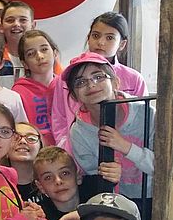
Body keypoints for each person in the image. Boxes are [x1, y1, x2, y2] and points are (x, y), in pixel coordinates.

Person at [63, 52, 154, 204]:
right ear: (74, 95)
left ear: (116, 83)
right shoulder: (79, 132)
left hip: (156, 196)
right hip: (118, 202)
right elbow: (93, 178)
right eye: (80, 82)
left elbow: (166, 166)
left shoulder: (146, 113)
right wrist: (108, 176)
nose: (91, 85)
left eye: (98, 77)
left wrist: (125, 147)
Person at [50, 12, 148, 149]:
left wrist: (129, 150)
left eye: (110, 38)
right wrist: (66, 148)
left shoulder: (134, 78)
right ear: (88, 38)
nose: (101, 42)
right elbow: (59, 118)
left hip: (126, 150)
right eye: (95, 36)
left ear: (122, 44)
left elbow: (143, 120)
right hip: (77, 150)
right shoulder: (67, 77)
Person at [12, 30, 60, 146]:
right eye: (31, 54)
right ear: (25, 64)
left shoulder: (66, 85)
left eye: (44, 49)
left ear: (54, 54)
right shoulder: (18, 92)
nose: (39, 56)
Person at [0, 0, 37, 86]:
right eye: (10, 20)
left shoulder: (44, 56)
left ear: (33, 25)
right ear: (1, 26)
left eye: (23, 20)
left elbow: (60, 85)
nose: (16, 24)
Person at [7, 122, 44, 202]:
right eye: (15, 137)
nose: (22, 141)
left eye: (31, 138)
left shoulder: (50, 182)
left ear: (40, 147)